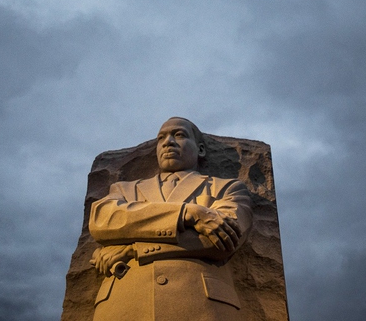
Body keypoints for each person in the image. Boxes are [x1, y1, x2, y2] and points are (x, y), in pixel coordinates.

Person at [89, 117, 253, 321]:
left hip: (202, 305)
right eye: (161, 138)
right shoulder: (125, 189)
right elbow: (103, 220)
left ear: (201, 149)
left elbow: (225, 238)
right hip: (125, 303)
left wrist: (133, 249)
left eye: (179, 135)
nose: (168, 142)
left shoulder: (226, 188)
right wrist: (188, 213)